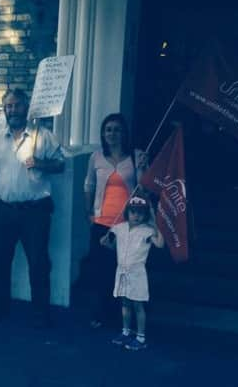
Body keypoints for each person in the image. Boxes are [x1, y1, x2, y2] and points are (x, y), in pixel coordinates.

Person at [0, 89, 65, 328]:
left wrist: (40, 163)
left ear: (26, 107)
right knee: (0, 261)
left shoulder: (43, 136)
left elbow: (61, 164)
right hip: (3, 210)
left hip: (35, 211)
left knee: (38, 262)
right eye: (8, 106)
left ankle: (41, 313)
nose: (12, 110)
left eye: (16, 105)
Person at [82, 113, 148, 329]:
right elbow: (89, 186)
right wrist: (89, 214)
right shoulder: (96, 157)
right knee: (100, 271)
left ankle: (122, 315)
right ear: (103, 133)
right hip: (101, 223)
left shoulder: (136, 156)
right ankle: (99, 314)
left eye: (117, 129)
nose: (112, 133)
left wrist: (144, 168)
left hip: (128, 225)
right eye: (108, 129)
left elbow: (144, 190)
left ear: (124, 133)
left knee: (125, 271)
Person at [100, 195, 163, 351]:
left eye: (140, 212)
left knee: (138, 305)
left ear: (145, 214)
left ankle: (140, 337)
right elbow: (114, 247)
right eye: (133, 211)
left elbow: (160, 244)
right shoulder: (120, 228)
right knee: (125, 303)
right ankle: (126, 331)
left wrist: (155, 221)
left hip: (137, 273)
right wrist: (105, 242)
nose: (136, 215)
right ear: (127, 212)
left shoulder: (147, 231)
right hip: (121, 271)